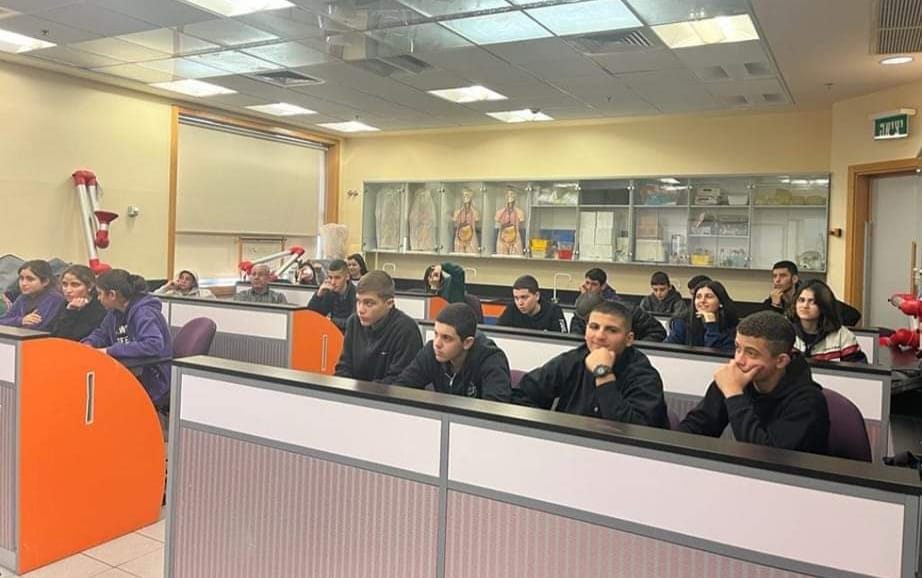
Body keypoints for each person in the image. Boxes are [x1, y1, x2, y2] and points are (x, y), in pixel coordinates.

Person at [678, 311, 830, 455]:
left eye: (751, 353)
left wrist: (734, 394)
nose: (739, 360)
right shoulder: (737, 378)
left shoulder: (808, 401)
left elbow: (766, 456)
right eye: (737, 348)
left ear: (781, 361)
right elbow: (694, 427)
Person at [516, 300, 669, 428]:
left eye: (612, 330)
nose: (599, 336)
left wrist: (603, 374)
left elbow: (635, 431)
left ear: (628, 339)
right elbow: (522, 395)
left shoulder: (643, 376)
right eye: (594, 327)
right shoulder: (572, 360)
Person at [82, 270, 172, 407]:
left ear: (112, 295)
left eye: (100, 293)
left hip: (152, 377)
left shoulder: (144, 312)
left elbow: (153, 344)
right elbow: (101, 333)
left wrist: (109, 351)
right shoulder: (114, 313)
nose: (98, 298)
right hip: (129, 370)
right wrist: (88, 344)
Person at [389, 303, 512, 401]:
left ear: (467, 343)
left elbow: (495, 412)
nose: (437, 344)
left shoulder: (491, 359)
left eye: (446, 338)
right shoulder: (431, 351)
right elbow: (401, 388)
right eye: (436, 334)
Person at [335, 271, 423, 382]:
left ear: (389, 303)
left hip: (386, 393)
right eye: (358, 301)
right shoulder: (353, 322)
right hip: (356, 391)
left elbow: (400, 381)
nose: (360, 310)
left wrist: (361, 390)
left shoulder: (406, 330)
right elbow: (343, 368)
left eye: (369, 303)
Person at [570, 268, 666, 342]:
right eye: (587, 283)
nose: (589, 287)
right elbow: (575, 340)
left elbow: (657, 331)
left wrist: (634, 350)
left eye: (594, 284)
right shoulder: (580, 313)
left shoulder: (630, 311)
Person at [788, 280, 867, 363]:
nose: (805, 306)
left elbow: (857, 369)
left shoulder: (843, 336)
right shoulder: (786, 332)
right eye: (801, 300)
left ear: (824, 305)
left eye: (812, 302)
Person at [666, 280, 739, 353]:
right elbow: (666, 349)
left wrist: (711, 326)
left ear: (720, 302)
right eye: (698, 297)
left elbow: (716, 356)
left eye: (709, 296)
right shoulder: (683, 322)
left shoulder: (732, 328)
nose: (702, 300)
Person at [0, 259, 65, 331]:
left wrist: (16, 322)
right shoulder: (23, 297)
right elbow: (3, 320)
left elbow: (35, 326)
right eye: (21, 278)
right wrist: (20, 320)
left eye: (30, 279)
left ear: (45, 282)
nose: (24, 283)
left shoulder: (54, 299)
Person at [50, 265, 107, 341]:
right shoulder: (64, 303)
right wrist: (69, 311)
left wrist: (72, 313)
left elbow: (78, 337)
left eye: (75, 285)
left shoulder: (100, 307)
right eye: (65, 284)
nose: (68, 290)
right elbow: (57, 336)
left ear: (90, 287)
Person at [497, 275, 567, 332]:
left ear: (537, 296)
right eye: (516, 298)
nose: (520, 303)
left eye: (524, 297)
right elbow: (497, 334)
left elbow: (564, 339)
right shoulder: (511, 309)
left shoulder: (554, 311)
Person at [307, 259, 356, 331]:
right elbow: (311, 316)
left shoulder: (356, 294)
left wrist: (331, 321)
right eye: (330, 277)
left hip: (350, 335)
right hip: (332, 332)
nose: (333, 282)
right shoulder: (330, 292)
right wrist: (318, 295)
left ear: (347, 277)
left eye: (337, 278)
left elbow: (354, 324)